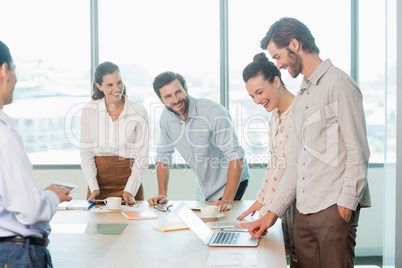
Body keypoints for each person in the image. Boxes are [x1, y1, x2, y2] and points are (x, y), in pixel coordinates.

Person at [248, 17, 371, 268]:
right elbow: (295, 162)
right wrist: (272, 214)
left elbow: (357, 151)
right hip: (303, 212)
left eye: (279, 56)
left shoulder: (339, 84)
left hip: (332, 210)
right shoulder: (303, 94)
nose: (279, 65)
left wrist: (345, 207)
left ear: (294, 44)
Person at [0, 40, 72, 267]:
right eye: (14, 70)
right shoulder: (5, 137)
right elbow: (31, 211)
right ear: (4, 71)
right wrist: (52, 195)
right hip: (17, 253)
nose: (16, 79)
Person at [147, 71, 250, 211]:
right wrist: (162, 194)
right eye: (168, 96)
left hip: (230, 181)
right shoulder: (166, 117)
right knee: (204, 225)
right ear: (161, 100)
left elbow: (236, 156)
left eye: (178, 92)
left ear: (186, 89)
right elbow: (163, 156)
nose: (176, 100)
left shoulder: (213, 111)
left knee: (221, 222)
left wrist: (226, 200)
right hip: (205, 187)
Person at [235, 52, 297, 267]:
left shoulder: (299, 113)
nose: (257, 100)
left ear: (277, 81)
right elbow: (274, 165)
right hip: (283, 206)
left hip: (299, 204)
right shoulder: (275, 116)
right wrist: (261, 200)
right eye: (252, 96)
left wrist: (265, 214)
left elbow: (288, 169)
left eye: (259, 92)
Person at [80, 61, 149, 205]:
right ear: (99, 86)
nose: (117, 88)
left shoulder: (138, 111)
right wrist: (94, 187)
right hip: (98, 188)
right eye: (109, 85)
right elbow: (86, 152)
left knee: (133, 227)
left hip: (130, 186)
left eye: (119, 83)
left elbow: (142, 155)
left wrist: (130, 189)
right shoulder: (89, 111)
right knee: (97, 227)